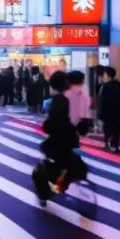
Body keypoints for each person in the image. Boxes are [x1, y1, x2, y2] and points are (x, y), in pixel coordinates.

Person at [32, 71, 80, 202]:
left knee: (41, 172)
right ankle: (62, 184)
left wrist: (46, 127)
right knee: (67, 164)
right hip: (70, 140)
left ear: (53, 87)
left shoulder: (57, 101)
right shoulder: (71, 99)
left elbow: (52, 123)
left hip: (58, 142)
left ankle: (47, 193)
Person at [97, 66, 120, 152]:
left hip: (107, 113)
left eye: (104, 74)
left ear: (107, 75)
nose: (103, 76)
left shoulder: (105, 87)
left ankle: (108, 145)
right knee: (117, 131)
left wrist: (100, 116)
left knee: (108, 130)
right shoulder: (119, 85)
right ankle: (115, 145)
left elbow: (101, 102)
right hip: (118, 113)